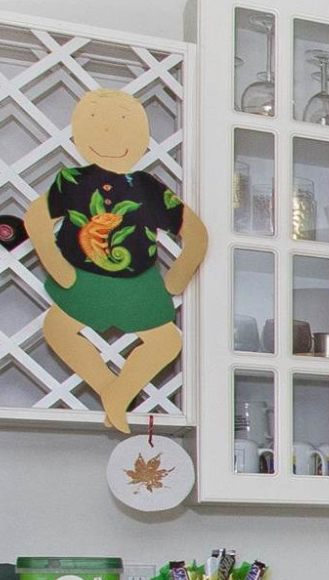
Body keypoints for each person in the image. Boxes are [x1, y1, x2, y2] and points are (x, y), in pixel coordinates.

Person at [25, 88, 209, 431]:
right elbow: (36, 221)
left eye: (123, 128)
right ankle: (112, 391)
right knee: (57, 329)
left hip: (138, 286)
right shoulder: (72, 182)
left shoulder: (148, 187)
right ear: (79, 136)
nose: (110, 137)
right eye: (98, 128)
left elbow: (196, 235)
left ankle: (118, 392)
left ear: (141, 138)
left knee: (167, 341)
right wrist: (58, 267)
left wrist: (176, 279)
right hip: (84, 281)